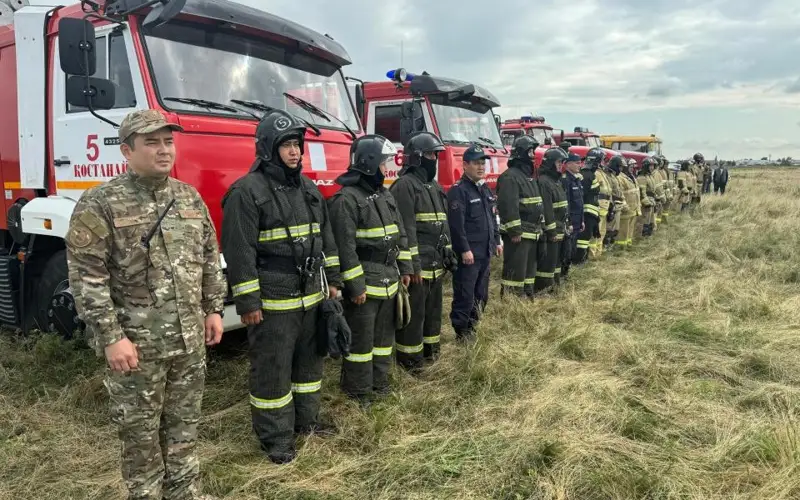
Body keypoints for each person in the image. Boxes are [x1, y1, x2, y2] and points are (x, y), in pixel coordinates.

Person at [65, 109, 226, 500]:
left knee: (184, 427)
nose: (163, 150)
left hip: (189, 343)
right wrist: (111, 337)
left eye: (168, 141)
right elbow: (88, 279)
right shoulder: (100, 203)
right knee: (139, 435)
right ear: (126, 150)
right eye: (151, 142)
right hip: (137, 348)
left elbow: (209, 257)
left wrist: (213, 308)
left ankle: (185, 492)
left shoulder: (188, 197)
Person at [221, 110, 342, 464]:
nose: (294, 152)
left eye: (297, 145)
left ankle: (306, 423)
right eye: (286, 145)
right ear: (267, 149)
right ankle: (275, 438)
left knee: (309, 366)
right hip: (273, 300)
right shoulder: (246, 191)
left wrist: (333, 281)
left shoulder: (307, 188)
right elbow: (239, 250)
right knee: (273, 371)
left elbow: (326, 237)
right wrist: (248, 301)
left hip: (311, 295)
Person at [328, 135, 413, 406]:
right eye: (384, 162)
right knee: (361, 345)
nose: (388, 169)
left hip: (389, 281)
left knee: (383, 341)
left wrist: (406, 268)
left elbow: (400, 234)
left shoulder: (384, 194)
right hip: (365, 285)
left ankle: (379, 383)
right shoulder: (346, 199)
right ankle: (358, 392)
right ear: (369, 162)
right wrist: (355, 286)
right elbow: (344, 247)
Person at [389, 132, 452, 370]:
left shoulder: (433, 186)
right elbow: (405, 229)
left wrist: (448, 252)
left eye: (435, 154)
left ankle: (430, 354)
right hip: (418, 268)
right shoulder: (405, 186)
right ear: (415, 158)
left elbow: (442, 224)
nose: (433, 159)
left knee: (433, 315)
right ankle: (410, 363)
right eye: (428, 154)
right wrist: (411, 266)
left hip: (436, 264)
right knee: (414, 318)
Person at [447, 143, 502, 341]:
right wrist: (464, 250)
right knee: (465, 296)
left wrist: (497, 240)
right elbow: (456, 225)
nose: (481, 167)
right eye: (476, 163)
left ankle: (472, 327)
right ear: (465, 165)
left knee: (481, 296)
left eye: (482, 163)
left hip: (485, 252)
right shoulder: (459, 191)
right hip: (469, 256)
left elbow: (492, 218)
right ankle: (462, 334)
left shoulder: (484, 189)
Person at [497, 135, 543, 298]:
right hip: (519, 234)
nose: (533, 155)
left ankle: (526, 296)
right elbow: (508, 206)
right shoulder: (510, 176)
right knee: (515, 271)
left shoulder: (528, 176)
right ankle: (512, 301)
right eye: (530, 151)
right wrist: (515, 230)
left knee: (528, 271)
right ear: (522, 153)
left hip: (531, 232)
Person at [535, 147, 569, 293]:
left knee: (556, 262)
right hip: (551, 233)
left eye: (562, 162)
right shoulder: (544, 182)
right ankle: (544, 289)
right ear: (550, 163)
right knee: (547, 264)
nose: (561, 165)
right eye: (558, 162)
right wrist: (551, 231)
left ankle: (554, 287)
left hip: (560, 229)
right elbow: (547, 209)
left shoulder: (556, 181)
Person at [573, 149, 601, 264]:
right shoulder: (586, 175)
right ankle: (578, 260)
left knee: (587, 238)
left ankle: (583, 258)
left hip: (591, 213)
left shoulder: (589, 174)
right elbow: (581, 195)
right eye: (600, 162)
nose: (601, 165)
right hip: (587, 213)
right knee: (582, 239)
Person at [560, 151, 584, 280]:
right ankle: (563, 275)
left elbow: (580, 203)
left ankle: (566, 273)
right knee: (566, 250)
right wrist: (568, 222)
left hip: (577, 221)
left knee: (572, 249)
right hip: (570, 223)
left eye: (580, 162)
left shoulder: (576, 179)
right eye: (577, 163)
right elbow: (567, 204)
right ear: (568, 164)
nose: (579, 165)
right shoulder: (566, 180)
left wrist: (582, 220)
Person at [589, 149, 612, 258]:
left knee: (601, 231)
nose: (604, 162)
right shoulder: (596, 173)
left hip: (604, 206)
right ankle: (592, 254)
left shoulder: (602, 173)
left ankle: (598, 252)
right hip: (598, 207)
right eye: (603, 160)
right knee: (596, 233)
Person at [614, 156, 639, 248]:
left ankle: (628, 245)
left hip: (633, 208)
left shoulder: (632, 177)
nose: (632, 169)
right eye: (631, 167)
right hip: (625, 209)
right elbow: (619, 194)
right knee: (623, 230)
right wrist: (624, 205)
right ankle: (620, 248)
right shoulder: (620, 178)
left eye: (633, 167)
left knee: (630, 229)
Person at [604, 155, 627, 250]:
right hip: (611, 206)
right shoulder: (608, 176)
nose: (621, 169)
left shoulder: (614, 176)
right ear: (615, 165)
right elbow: (609, 192)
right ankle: (605, 247)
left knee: (615, 230)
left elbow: (618, 191)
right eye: (620, 167)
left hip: (617, 206)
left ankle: (610, 246)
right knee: (608, 229)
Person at [635, 157, 657, 237]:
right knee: (643, 221)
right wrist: (646, 202)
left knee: (650, 222)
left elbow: (652, 189)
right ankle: (640, 238)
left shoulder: (649, 176)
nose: (652, 167)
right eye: (650, 166)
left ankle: (647, 236)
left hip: (651, 202)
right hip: (645, 204)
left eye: (653, 166)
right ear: (645, 166)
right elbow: (641, 193)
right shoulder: (642, 177)